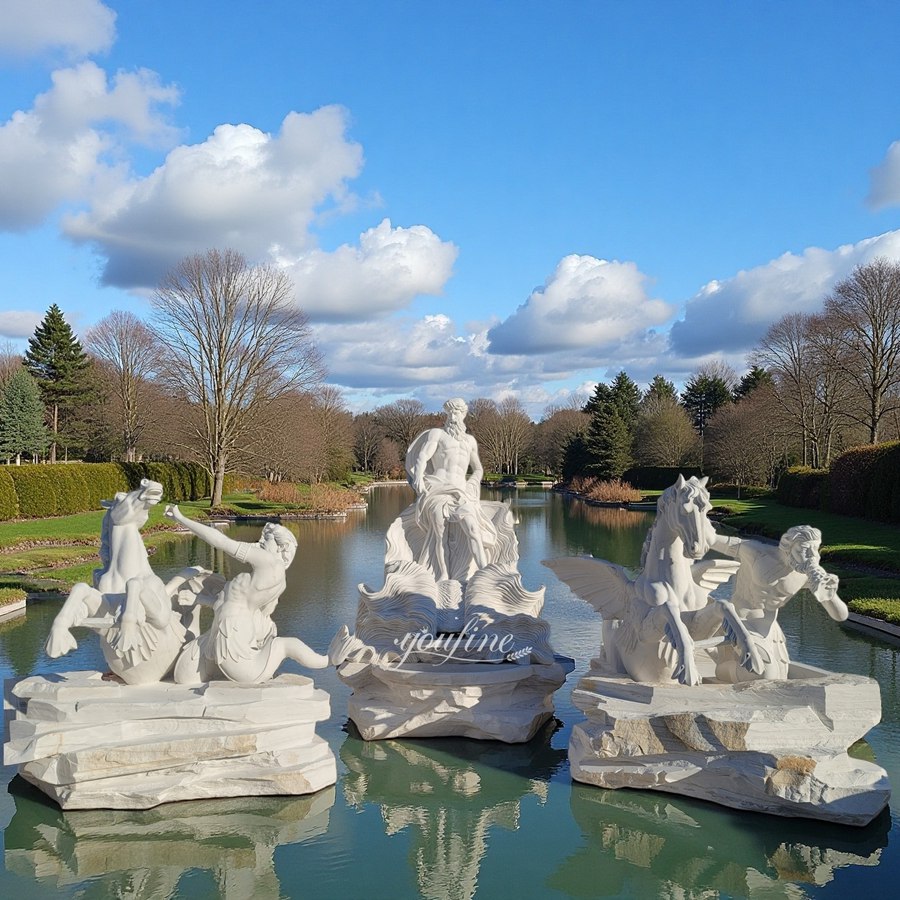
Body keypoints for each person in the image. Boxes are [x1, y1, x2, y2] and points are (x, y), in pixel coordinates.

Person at [165, 506, 354, 683]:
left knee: (284, 645)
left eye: (266, 539)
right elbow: (236, 606)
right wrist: (199, 599)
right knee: (183, 676)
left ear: (281, 548)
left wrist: (182, 518)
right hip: (223, 633)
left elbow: (221, 541)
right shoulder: (278, 578)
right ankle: (327, 659)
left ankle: (327, 660)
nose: (260, 542)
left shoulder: (268, 562)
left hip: (235, 645)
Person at [711, 525, 848, 682]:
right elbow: (710, 540)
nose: (812, 556)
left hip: (769, 630)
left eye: (815, 550)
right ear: (788, 547)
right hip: (740, 621)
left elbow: (841, 615)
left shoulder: (805, 576)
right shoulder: (757, 552)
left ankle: (731, 664)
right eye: (803, 550)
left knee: (776, 679)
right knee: (762, 674)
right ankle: (722, 670)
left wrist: (829, 596)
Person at [405, 398, 497, 582]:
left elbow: (478, 468)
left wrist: (473, 483)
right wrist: (418, 478)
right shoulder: (436, 435)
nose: (453, 416)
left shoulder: (470, 441)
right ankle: (443, 575)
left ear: (464, 414)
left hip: (461, 492)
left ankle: (485, 573)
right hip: (437, 489)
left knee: (473, 529)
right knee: (440, 533)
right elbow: (422, 456)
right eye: (450, 413)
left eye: (457, 413)